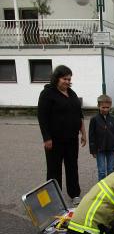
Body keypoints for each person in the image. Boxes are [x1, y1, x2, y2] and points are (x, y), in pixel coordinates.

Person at [37, 65, 86, 206]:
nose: (67, 81)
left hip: (71, 139)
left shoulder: (72, 93)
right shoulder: (47, 94)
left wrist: (83, 133)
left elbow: (79, 114)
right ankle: (53, 198)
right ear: (57, 78)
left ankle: (75, 194)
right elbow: (42, 117)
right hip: (54, 140)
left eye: (69, 79)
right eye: (64, 78)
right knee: (54, 169)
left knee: (72, 167)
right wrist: (46, 138)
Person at [89, 94, 114, 181]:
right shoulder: (94, 120)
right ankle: (101, 189)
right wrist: (93, 150)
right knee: (102, 171)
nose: (105, 109)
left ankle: (110, 188)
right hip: (99, 150)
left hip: (111, 149)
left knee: (111, 170)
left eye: (107, 107)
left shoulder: (113, 119)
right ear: (98, 106)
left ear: (110, 106)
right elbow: (91, 136)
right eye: (103, 107)